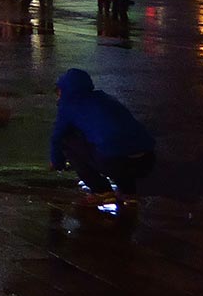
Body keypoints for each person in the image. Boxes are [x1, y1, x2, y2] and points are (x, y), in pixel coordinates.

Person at [49, 68, 155, 201]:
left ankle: (101, 190)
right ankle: (128, 192)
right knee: (116, 144)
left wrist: (57, 162)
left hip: (115, 162)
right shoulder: (104, 98)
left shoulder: (69, 105)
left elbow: (57, 137)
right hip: (147, 160)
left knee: (67, 140)